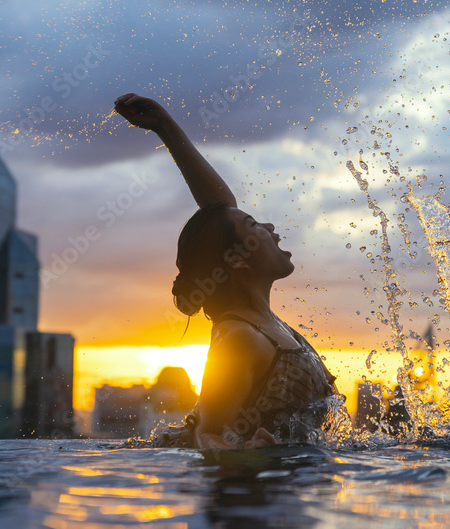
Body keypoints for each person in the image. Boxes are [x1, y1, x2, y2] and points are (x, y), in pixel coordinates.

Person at [113, 93, 342, 450]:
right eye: (254, 225)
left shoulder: (268, 325)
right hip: (246, 499)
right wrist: (248, 456)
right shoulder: (238, 338)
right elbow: (209, 435)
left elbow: (219, 210)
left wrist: (165, 127)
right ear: (236, 259)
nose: (269, 227)